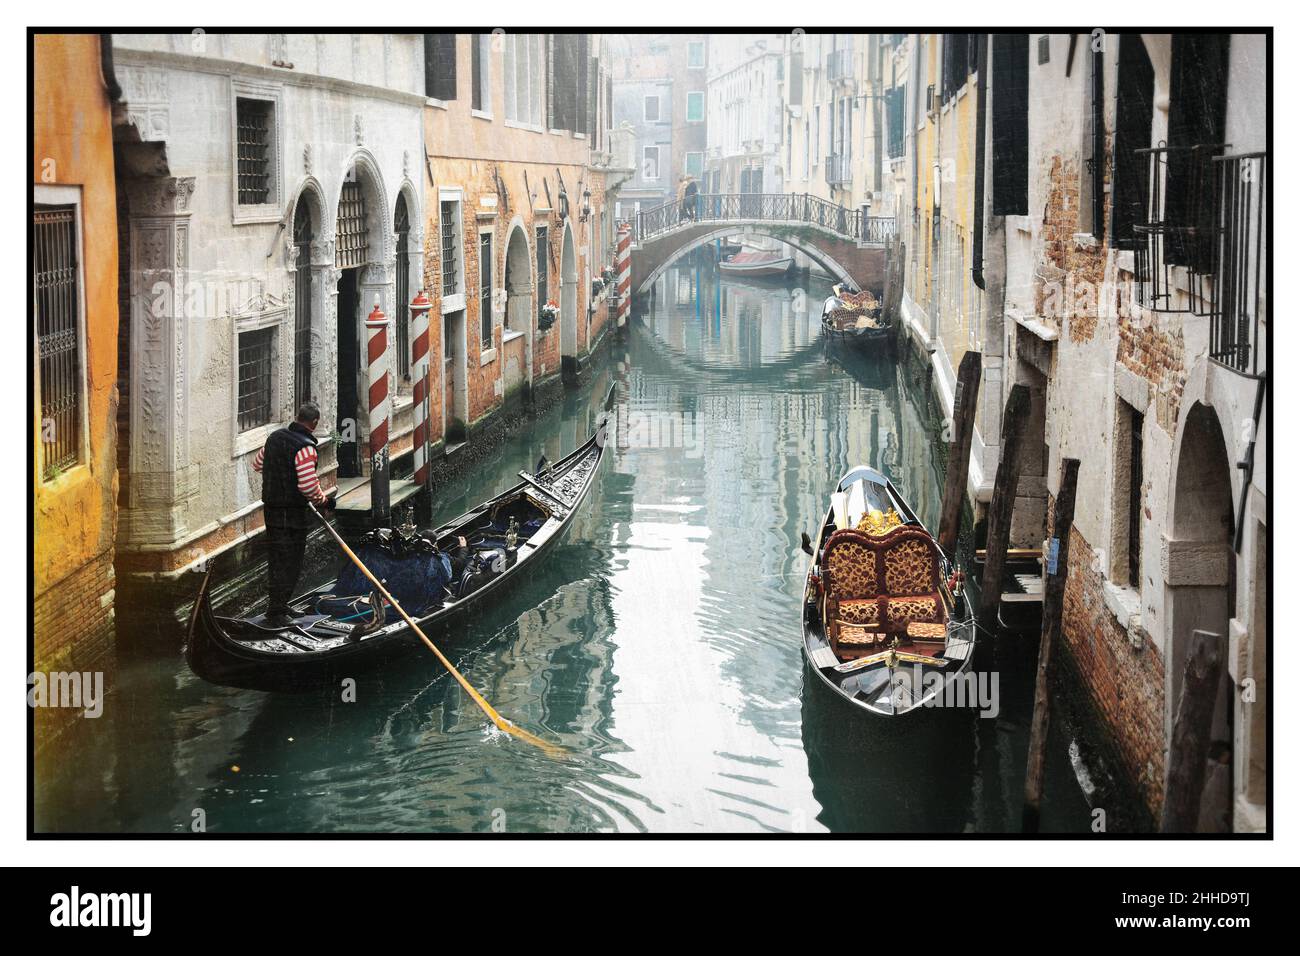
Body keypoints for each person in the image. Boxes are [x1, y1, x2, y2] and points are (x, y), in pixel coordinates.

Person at [253, 401, 332, 626]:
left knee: (277, 557)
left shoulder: (275, 438)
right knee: (290, 560)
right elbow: (307, 486)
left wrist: (280, 474)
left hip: (272, 510)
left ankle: (279, 606)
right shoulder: (306, 447)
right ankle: (277, 612)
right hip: (292, 513)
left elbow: (258, 464)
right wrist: (325, 501)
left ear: (298, 418)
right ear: (314, 423)